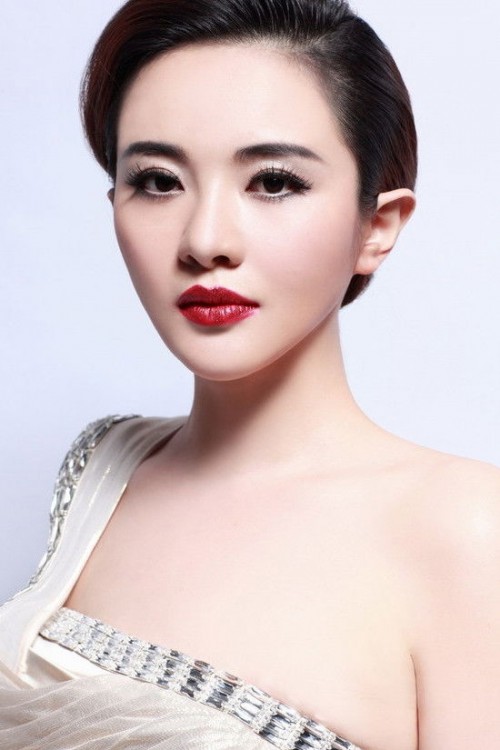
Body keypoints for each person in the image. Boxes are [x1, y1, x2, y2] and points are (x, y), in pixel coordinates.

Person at [0, 0, 498, 748]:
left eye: (272, 182)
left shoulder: (467, 530)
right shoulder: (103, 469)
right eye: (158, 181)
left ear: (377, 225)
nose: (205, 241)